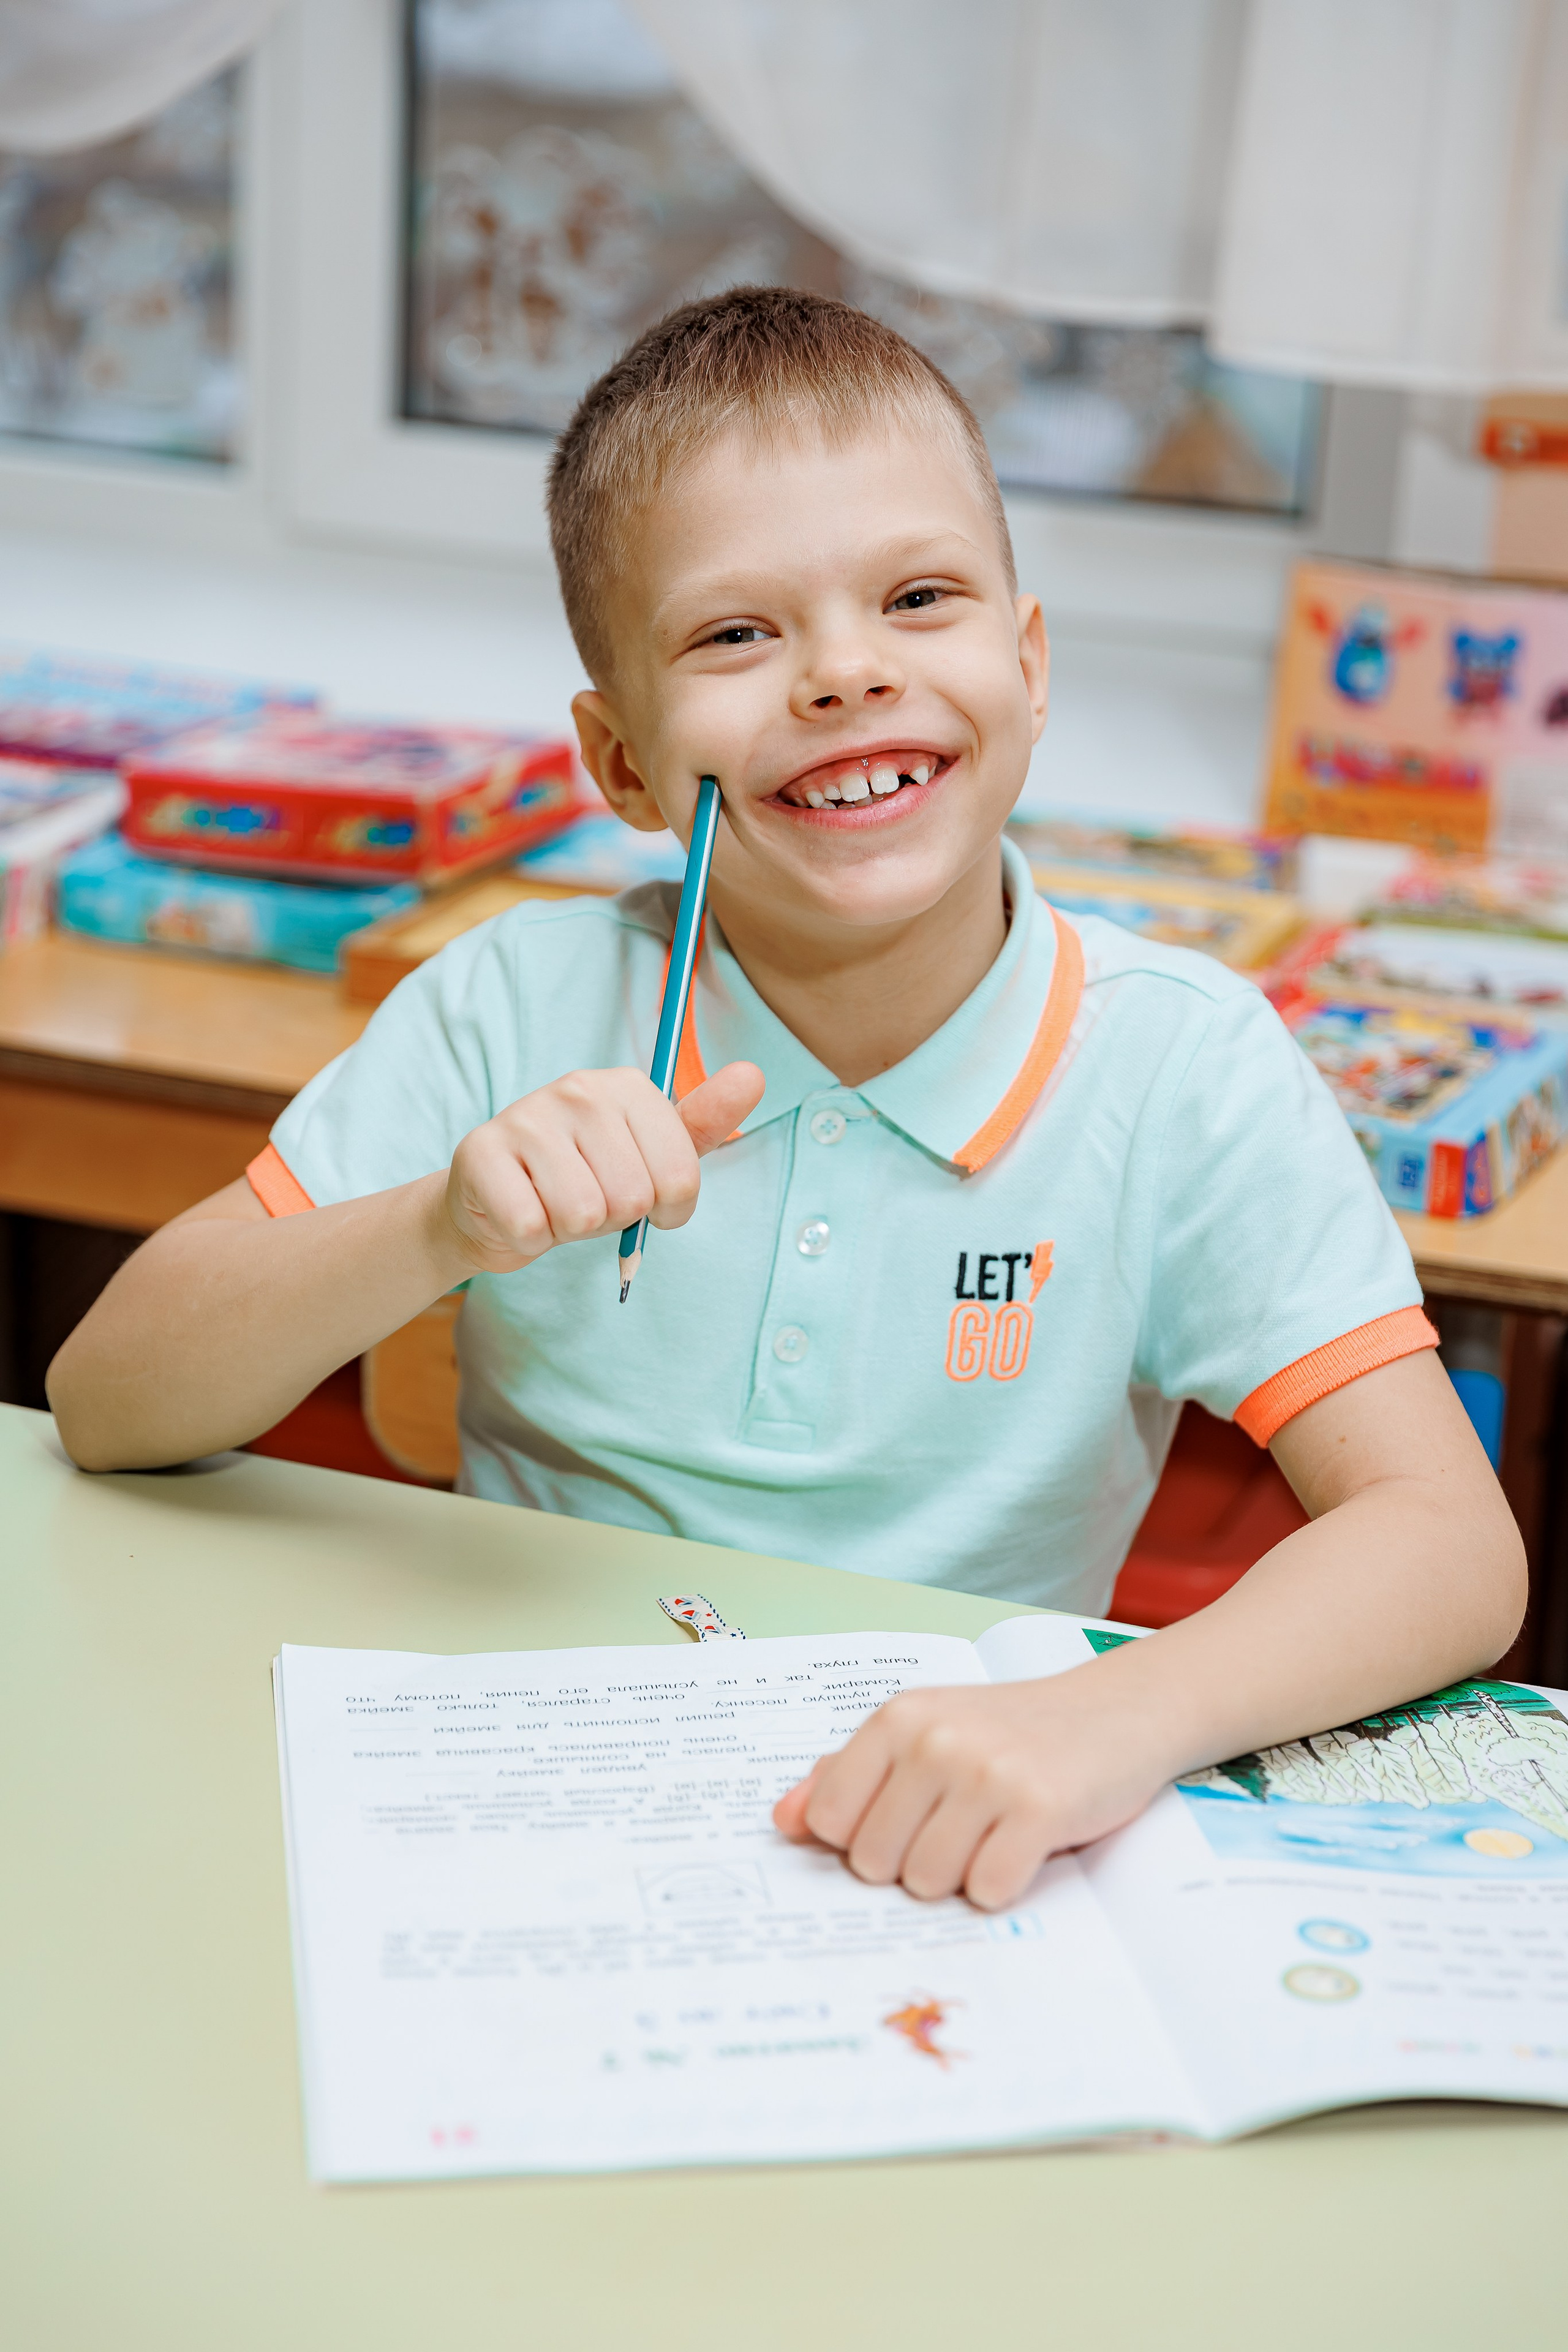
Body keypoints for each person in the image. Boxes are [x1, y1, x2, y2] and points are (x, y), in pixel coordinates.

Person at [48, 288, 1523, 1909]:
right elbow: (111, 1407)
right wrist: (433, 1226)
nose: (843, 674)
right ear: (620, 765)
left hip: (950, 1846)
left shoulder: (1186, 1068)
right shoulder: (509, 1002)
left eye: (918, 596)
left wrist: (1116, 1713)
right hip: (529, 1802)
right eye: (736, 633)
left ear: (1026, 669)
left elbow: (1452, 1546)